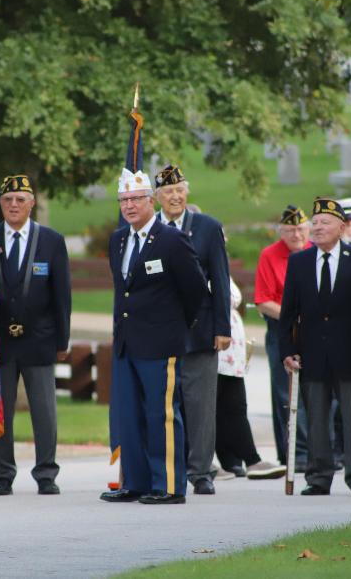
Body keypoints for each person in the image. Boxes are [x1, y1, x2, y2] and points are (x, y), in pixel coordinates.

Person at [102, 169, 209, 505]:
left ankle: (169, 485)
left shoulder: (171, 239)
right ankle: (135, 482)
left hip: (161, 343)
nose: (129, 206)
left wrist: (174, 326)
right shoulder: (119, 240)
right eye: (124, 200)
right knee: (129, 414)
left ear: (151, 201)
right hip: (127, 343)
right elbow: (123, 291)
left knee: (160, 415)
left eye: (136, 199)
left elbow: (195, 292)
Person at [280, 197, 351, 496]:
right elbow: (288, 312)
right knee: (318, 419)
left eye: (325, 223)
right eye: (316, 223)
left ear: (341, 226)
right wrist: (287, 350)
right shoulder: (299, 262)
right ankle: (319, 477)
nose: (318, 228)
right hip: (312, 353)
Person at [0, 175, 71, 496]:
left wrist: (61, 340)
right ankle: (3, 474)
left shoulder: (50, 240)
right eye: (8, 200)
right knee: (0, 410)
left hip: (40, 337)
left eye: (20, 199)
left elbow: (62, 295)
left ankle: (46, 474)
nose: (14, 205)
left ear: (32, 203)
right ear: (0, 203)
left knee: (44, 409)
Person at [153, 165, 231, 495]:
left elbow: (221, 279)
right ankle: (169, 469)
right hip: (158, 332)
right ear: (156, 197)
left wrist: (222, 326)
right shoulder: (149, 228)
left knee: (200, 405)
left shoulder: (207, 227)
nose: (175, 196)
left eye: (180, 190)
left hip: (200, 329)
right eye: (168, 191)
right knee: (163, 404)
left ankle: (201, 472)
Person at [254, 205, 312, 471]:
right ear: (281, 232)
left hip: (315, 331)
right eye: (290, 230)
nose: (297, 235)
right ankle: (294, 454)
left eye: (300, 229)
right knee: (286, 394)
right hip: (281, 330)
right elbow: (263, 301)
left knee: (319, 392)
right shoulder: (270, 255)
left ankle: (323, 450)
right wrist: (294, 318)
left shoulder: (316, 249)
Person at [215, 274, 286, 480]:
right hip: (213, 349)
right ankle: (203, 463)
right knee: (210, 409)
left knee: (235, 406)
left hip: (231, 353)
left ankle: (250, 460)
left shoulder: (219, 260)